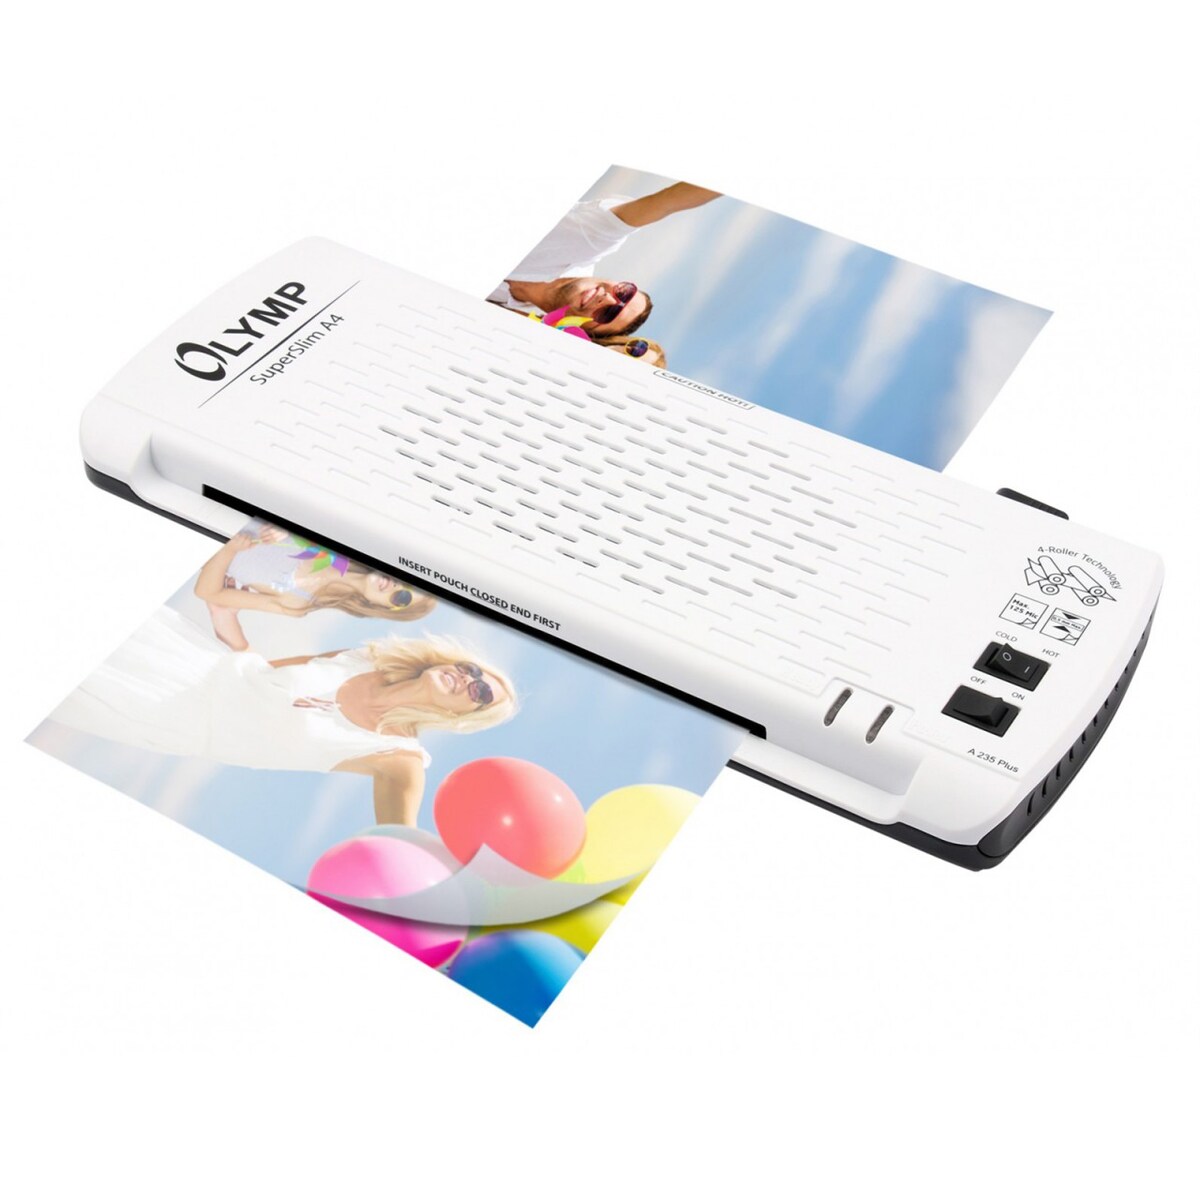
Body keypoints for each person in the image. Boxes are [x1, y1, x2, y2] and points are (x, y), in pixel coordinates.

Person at [50, 607, 517, 826]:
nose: (467, 678)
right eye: (474, 671)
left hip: (170, 719)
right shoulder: (365, 659)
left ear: (462, 718)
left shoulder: (398, 758)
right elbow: (260, 668)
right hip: (184, 658)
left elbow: (399, 843)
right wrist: (225, 608)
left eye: (479, 692)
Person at [487, 181, 721, 338]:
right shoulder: (589, 238)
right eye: (624, 293)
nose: (607, 298)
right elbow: (667, 202)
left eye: (608, 314)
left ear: (585, 329)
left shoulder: (505, 311)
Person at [195, 521, 437, 651]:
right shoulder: (346, 539)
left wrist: (230, 550)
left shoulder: (297, 604)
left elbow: (207, 592)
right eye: (407, 581)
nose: (397, 586)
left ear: (382, 608)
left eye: (403, 597)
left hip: (192, 540)